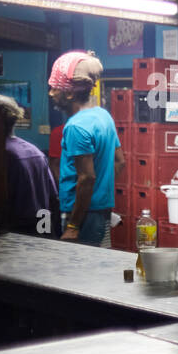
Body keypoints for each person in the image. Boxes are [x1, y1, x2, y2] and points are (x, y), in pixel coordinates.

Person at [51, 51, 123, 245]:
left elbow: (87, 177)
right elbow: (119, 161)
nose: (51, 93)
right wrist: (101, 193)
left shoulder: (76, 127)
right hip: (100, 212)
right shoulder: (103, 115)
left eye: (54, 88)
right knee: (98, 267)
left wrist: (74, 226)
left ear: (69, 93)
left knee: (80, 272)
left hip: (82, 216)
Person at [0, 95, 59, 237]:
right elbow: (53, 199)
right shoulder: (34, 151)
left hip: (13, 235)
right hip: (40, 231)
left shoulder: (2, 157)